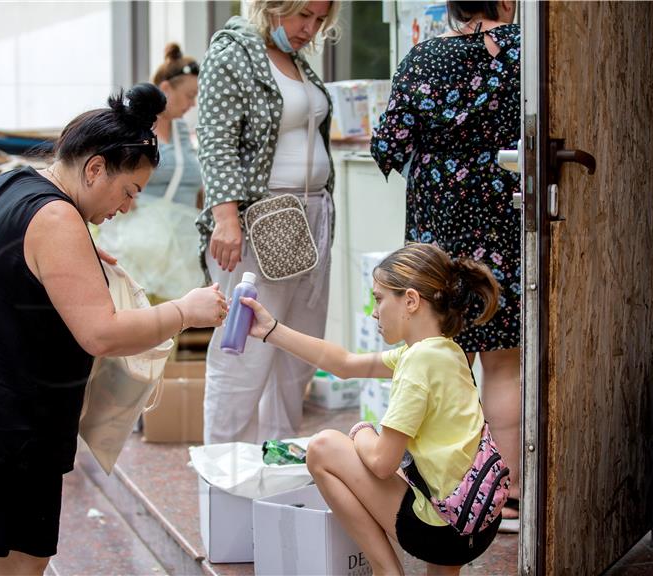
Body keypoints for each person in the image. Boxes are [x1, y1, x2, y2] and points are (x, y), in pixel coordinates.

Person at [0, 84, 228, 576]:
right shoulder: (57, 219)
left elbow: (10, 267)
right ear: (94, 168)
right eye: (129, 191)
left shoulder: (14, 184)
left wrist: (77, 255)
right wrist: (185, 311)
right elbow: (101, 334)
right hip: (7, 433)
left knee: (9, 559)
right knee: (25, 561)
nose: (128, 207)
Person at [242, 243, 502, 576]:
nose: (374, 312)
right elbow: (346, 364)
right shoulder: (447, 351)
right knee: (424, 469)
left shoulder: (418, 364)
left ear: (410, 300)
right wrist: (271, 330)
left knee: (323, 448)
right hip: (476, 521)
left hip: (440, 531)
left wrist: (362, 431)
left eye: (379, 299)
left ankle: (385, 571)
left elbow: (381, 463)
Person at [370, 0, 522, 532]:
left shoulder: (424, 57)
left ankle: (451, 493)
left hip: (439, 221)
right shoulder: (528, 53)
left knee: (440, 358)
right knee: (505, 361)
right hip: (505, 214)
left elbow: (388, 146)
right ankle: (505, 497)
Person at [196, 0, 340, 444]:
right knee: (241, 358)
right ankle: (222, 487)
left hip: (310, 217)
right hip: (260, 221)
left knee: (295, 356)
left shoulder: (293, 58)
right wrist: (226, 218)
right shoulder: (233, 52)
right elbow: (216, 140)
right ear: (274, 6)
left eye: (319, 20)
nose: (310, 28)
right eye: (303, 16)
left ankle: (279, 472)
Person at [96, 43, 203, 301]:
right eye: (189, 95)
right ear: (166, 89)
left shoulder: (183, 134)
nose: (192, 104)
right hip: (139, 245)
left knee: (171, 324)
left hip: (178, 250)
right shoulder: (139, 133)